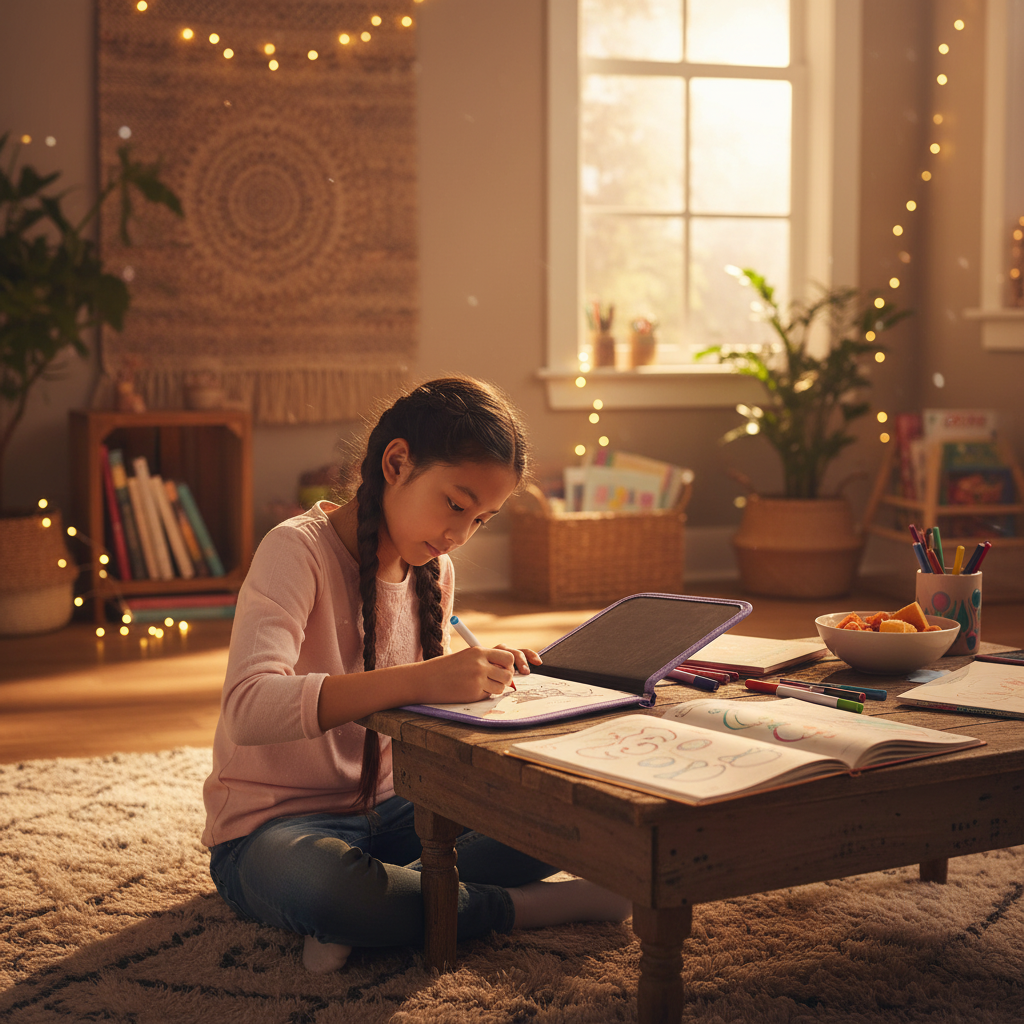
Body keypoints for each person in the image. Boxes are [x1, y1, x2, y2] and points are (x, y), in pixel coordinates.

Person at [202, 376, 630, 973]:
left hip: (402, 812)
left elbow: (433, 706)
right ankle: (521, 908)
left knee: (570, 820)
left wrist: (485, 680)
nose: (459, 534)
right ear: (396, 463)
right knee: (331, 891)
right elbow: (249, 708)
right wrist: (426, 678)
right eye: (456, 504)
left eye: (482, 519)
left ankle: (387, 903)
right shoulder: (295, 550)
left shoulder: (434, 568)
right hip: (274, 827)